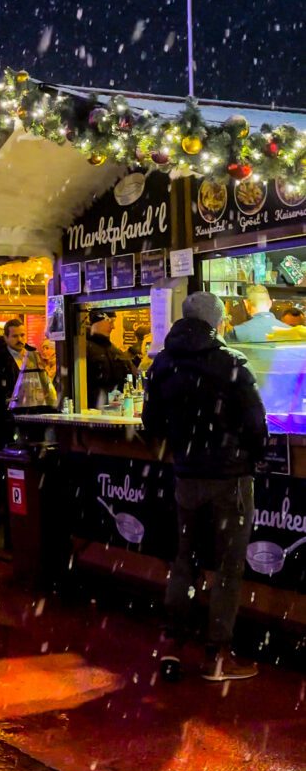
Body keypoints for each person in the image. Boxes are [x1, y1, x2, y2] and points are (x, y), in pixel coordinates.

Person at [143, 290, 267, 683]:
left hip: (186, 476)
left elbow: (152, 422)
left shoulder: (163, 362)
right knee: (228, 569)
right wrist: (251, 455)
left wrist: (181, 449)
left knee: (185, 561)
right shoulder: (230, 362)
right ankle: (217, 656)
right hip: (229, 479)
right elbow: (255, 423)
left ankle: (173, 646)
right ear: (216, 321)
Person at [85, 310, 135, 408]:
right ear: (99, 321)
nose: (113, 327)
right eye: (110, 322)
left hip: (114, 408)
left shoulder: (114, 350)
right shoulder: (83, 351)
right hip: (92, 410)